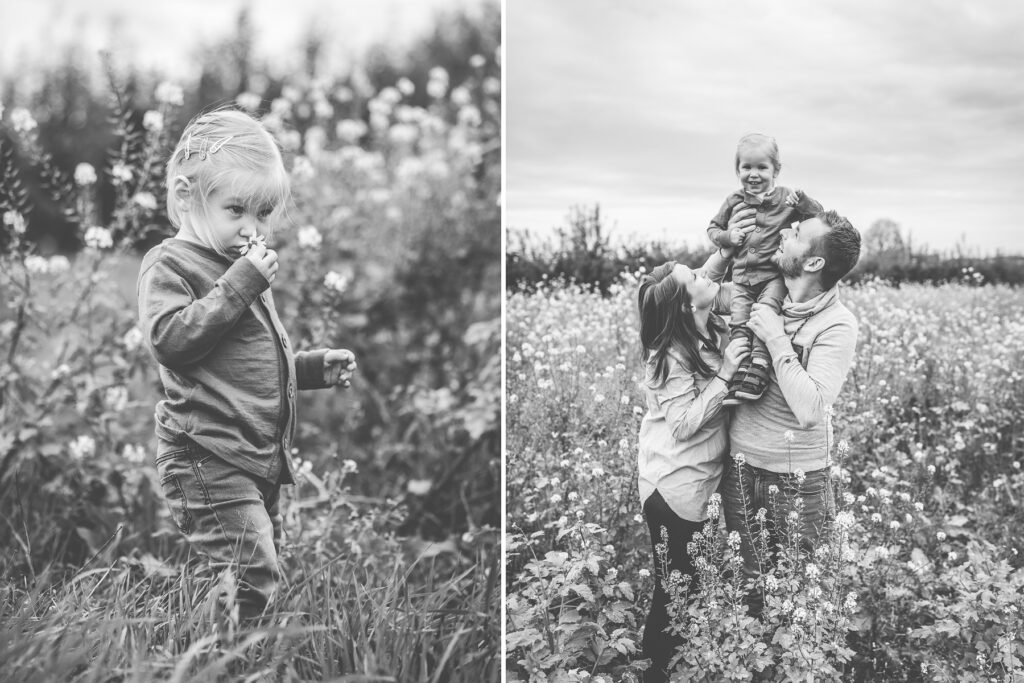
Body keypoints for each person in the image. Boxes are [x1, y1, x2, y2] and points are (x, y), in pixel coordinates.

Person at [137, 109, 358, 621]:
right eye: (236, 209)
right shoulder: (170, 264)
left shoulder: (238, 270)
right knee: (253, 575)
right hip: (206, 453)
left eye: (262, 215)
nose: (251, 229)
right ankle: (226, 662)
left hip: (253, 453)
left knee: (245, 567)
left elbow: (244, 360)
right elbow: (171, 341)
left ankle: (209, 639)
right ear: (187, 195)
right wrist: (241, 283)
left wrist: (309, 369)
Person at [719, 209, 862, 617]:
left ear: (814, 262)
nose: (785, 231)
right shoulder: (763, 297)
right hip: (741, 470)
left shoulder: (837, 324)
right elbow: (695, 293)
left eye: (797, 233)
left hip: (801, 481)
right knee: (747, 593)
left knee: (798, 597)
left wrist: (775, 338)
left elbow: (810, 409)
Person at [636, 246, 749, 682]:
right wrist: (725, 376)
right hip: (673, 487)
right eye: (696, 278)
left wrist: (727, 248)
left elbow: (706, 275)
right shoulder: (668, 354)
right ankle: (656, 675)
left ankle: (672, 668)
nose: (707, 276)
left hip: (691, 480)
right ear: (687, 302)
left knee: (685, 588)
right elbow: (682, 424)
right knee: (674, 594)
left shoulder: (701, 325)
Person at [707, 133, 822, 405]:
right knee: (738, 322)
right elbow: (712, 229)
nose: (753, 174)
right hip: (742, 278)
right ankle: (739, 372)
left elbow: (817, 216)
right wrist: (728, 236)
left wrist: (803, 203)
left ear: (776, 170)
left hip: (773, 277)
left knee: (765, 315)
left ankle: (759, 366)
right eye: (746, 167)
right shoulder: (733, 200)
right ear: (738, 170)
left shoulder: (786, 199)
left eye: (762, 167)